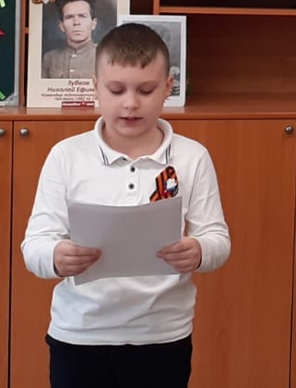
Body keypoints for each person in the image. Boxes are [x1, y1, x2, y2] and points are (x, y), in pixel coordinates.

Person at [22, 23, 232, 388]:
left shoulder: (192, 156)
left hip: (163, 337)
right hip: (80, 335)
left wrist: (199, 251)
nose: (131, 103)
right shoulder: (67, 156)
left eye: (146, 90)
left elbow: (218, 239)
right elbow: (34, 245)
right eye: (116, 90)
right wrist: (56, 257)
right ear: (95, 87)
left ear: (168, 87)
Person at [42, 0, 100, 79]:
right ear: (62, 26)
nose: (76, 22)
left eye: (82, 16)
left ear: (93, 24)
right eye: (69, 17)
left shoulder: (106, 55)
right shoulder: (50, 58)